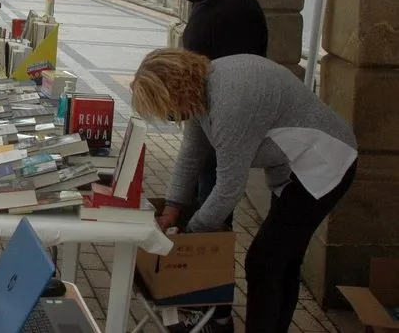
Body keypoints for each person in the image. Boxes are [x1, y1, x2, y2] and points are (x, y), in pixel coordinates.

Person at [130, 49, 356, 333]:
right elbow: (190, 156)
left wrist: (188, 237)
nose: (173, 118)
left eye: (168, 110)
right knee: (283, 261)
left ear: (175, 91)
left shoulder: (229, 102)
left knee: (263, 262)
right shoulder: (201, 90)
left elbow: (229, 188)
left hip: (325, 164)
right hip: (294, 170)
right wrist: (173, 208)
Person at [168, 0, 268, 330]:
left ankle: (216, 312)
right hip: (206, 120)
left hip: (224, 125)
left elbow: (238, 79)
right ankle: (202, 301)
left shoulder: (238, 8)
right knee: (201, 204)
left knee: (214, 217)